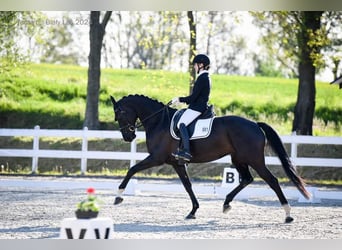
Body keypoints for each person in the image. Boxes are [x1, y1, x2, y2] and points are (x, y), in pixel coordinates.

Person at [170, 54, 211, 162]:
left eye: (196, 65)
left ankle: (186, 151)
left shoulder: (202, 78)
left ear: (201, 65)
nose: (194, 67)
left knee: (181, 124)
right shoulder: (205, 77)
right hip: (197, 106)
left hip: (197, 107)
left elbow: (193, 97)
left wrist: (179, 99)